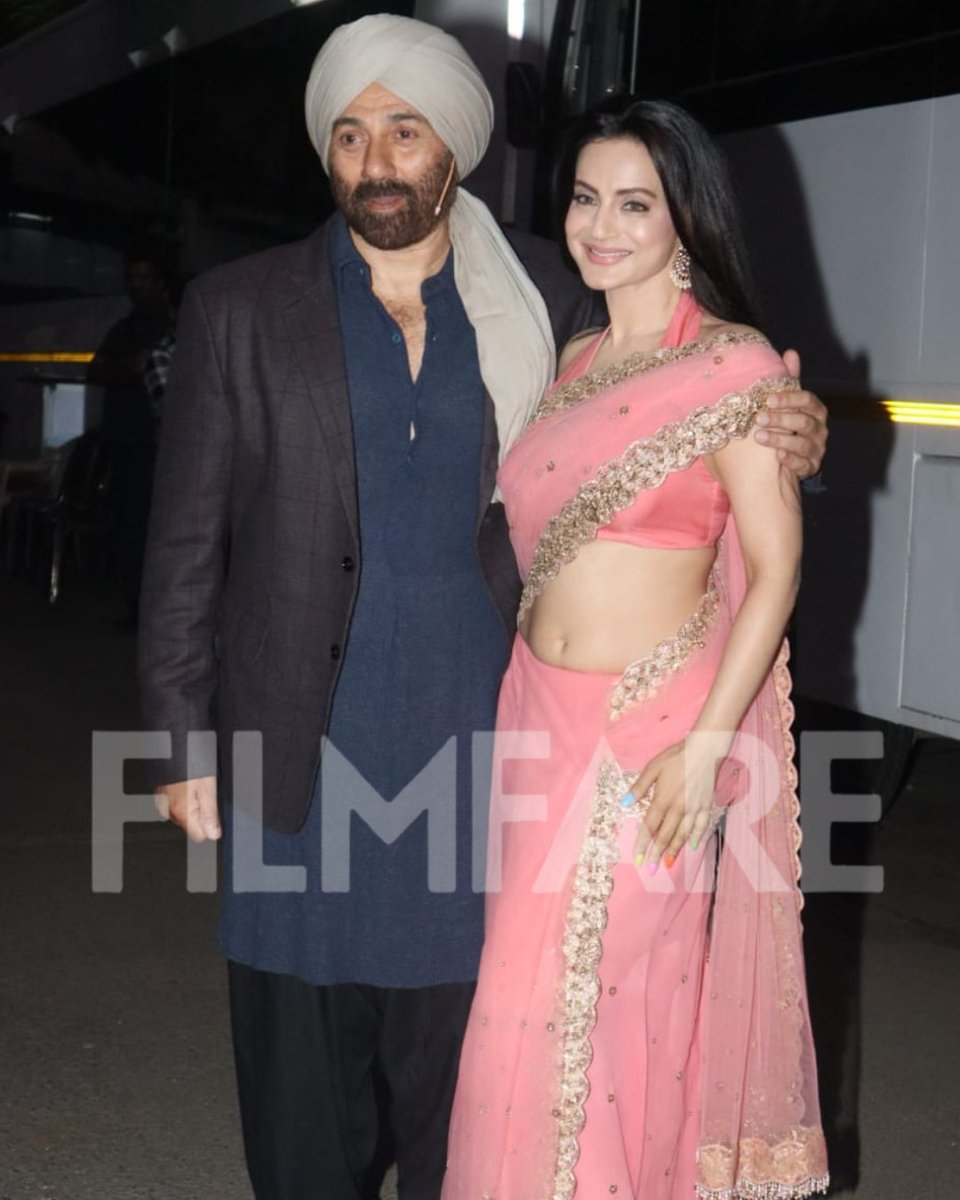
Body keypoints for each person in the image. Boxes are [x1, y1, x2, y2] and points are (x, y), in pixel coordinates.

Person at [138, 18, 827, 1200]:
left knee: (484, 1095)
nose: (377, 160)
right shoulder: (239, 310)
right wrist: (177, 736)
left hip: (487, 762)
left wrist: (790, 432)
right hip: (305, 755)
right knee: (304, 1124)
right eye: (350, 135)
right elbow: (184, 543)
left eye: (406, 131)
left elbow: (682, 404)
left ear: (453, 150)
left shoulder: (551, 298)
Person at [442, 99, 829, 1200]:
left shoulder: (737, 365)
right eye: (582, 198)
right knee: (523, 1011)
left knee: (595, 1008)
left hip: (650, 732)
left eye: (634, 204)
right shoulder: (574, 358)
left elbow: (777, 566)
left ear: (686, 222)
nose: (599, 226)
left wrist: (709, 748)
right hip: (538, 717)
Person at [89, 246, 172, 625]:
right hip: (123, 440)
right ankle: (132, 603)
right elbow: (97, 370)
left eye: (143, 278)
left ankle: (141, 607)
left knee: (142, 525)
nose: (136, 285)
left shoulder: (166, 326)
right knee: (125, 522)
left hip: (152, 443)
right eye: (132, 278)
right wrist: (128, 366)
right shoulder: (126, 327)